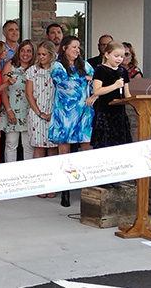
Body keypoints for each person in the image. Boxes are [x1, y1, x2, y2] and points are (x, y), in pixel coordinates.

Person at [48, 35, 96, 207]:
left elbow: (95, 82)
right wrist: (85, 80)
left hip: (84, 114)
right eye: (73, 47)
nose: (77, 50)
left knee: (87, 149)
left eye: (78, 47)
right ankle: (65, 191)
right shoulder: (57, 65)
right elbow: (64, 83)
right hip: (65, 115)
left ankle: (88, 189)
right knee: (64, 154)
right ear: (64, 48)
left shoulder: (85, 65)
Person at [25, 41, 59, 192]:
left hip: (54, 112)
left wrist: (53, 113)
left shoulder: (57, 69)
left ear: (51, 54)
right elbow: (29, 93)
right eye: (39, 54)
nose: (41, 57)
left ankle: (52, 184)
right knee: (39, 148)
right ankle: (38, 184)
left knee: (52, 149)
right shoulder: (32, 70)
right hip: (37, 113)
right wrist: (39, 112)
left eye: (44, 54)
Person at [91, 41, 133, 149]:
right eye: (116, 56)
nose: (119, 59)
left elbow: (127, 93)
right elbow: (97, 91)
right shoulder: (101, 69)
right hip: (105, 112)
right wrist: (115, 86)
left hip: (119, 113)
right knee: (105, 144)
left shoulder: (122, 71)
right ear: (107, 54)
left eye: (121, 57)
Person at [1, 40, 34, 163]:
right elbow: (3, 89)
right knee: (11, 144)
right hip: (12, 109)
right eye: (23, 51)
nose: (25, 54)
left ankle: (29, 176)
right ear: (18, 52)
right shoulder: (10, 65)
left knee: (29, 145)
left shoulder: (35, 67)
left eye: (29, 51)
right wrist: (8, 110)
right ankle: (10, 175)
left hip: (30, 110)